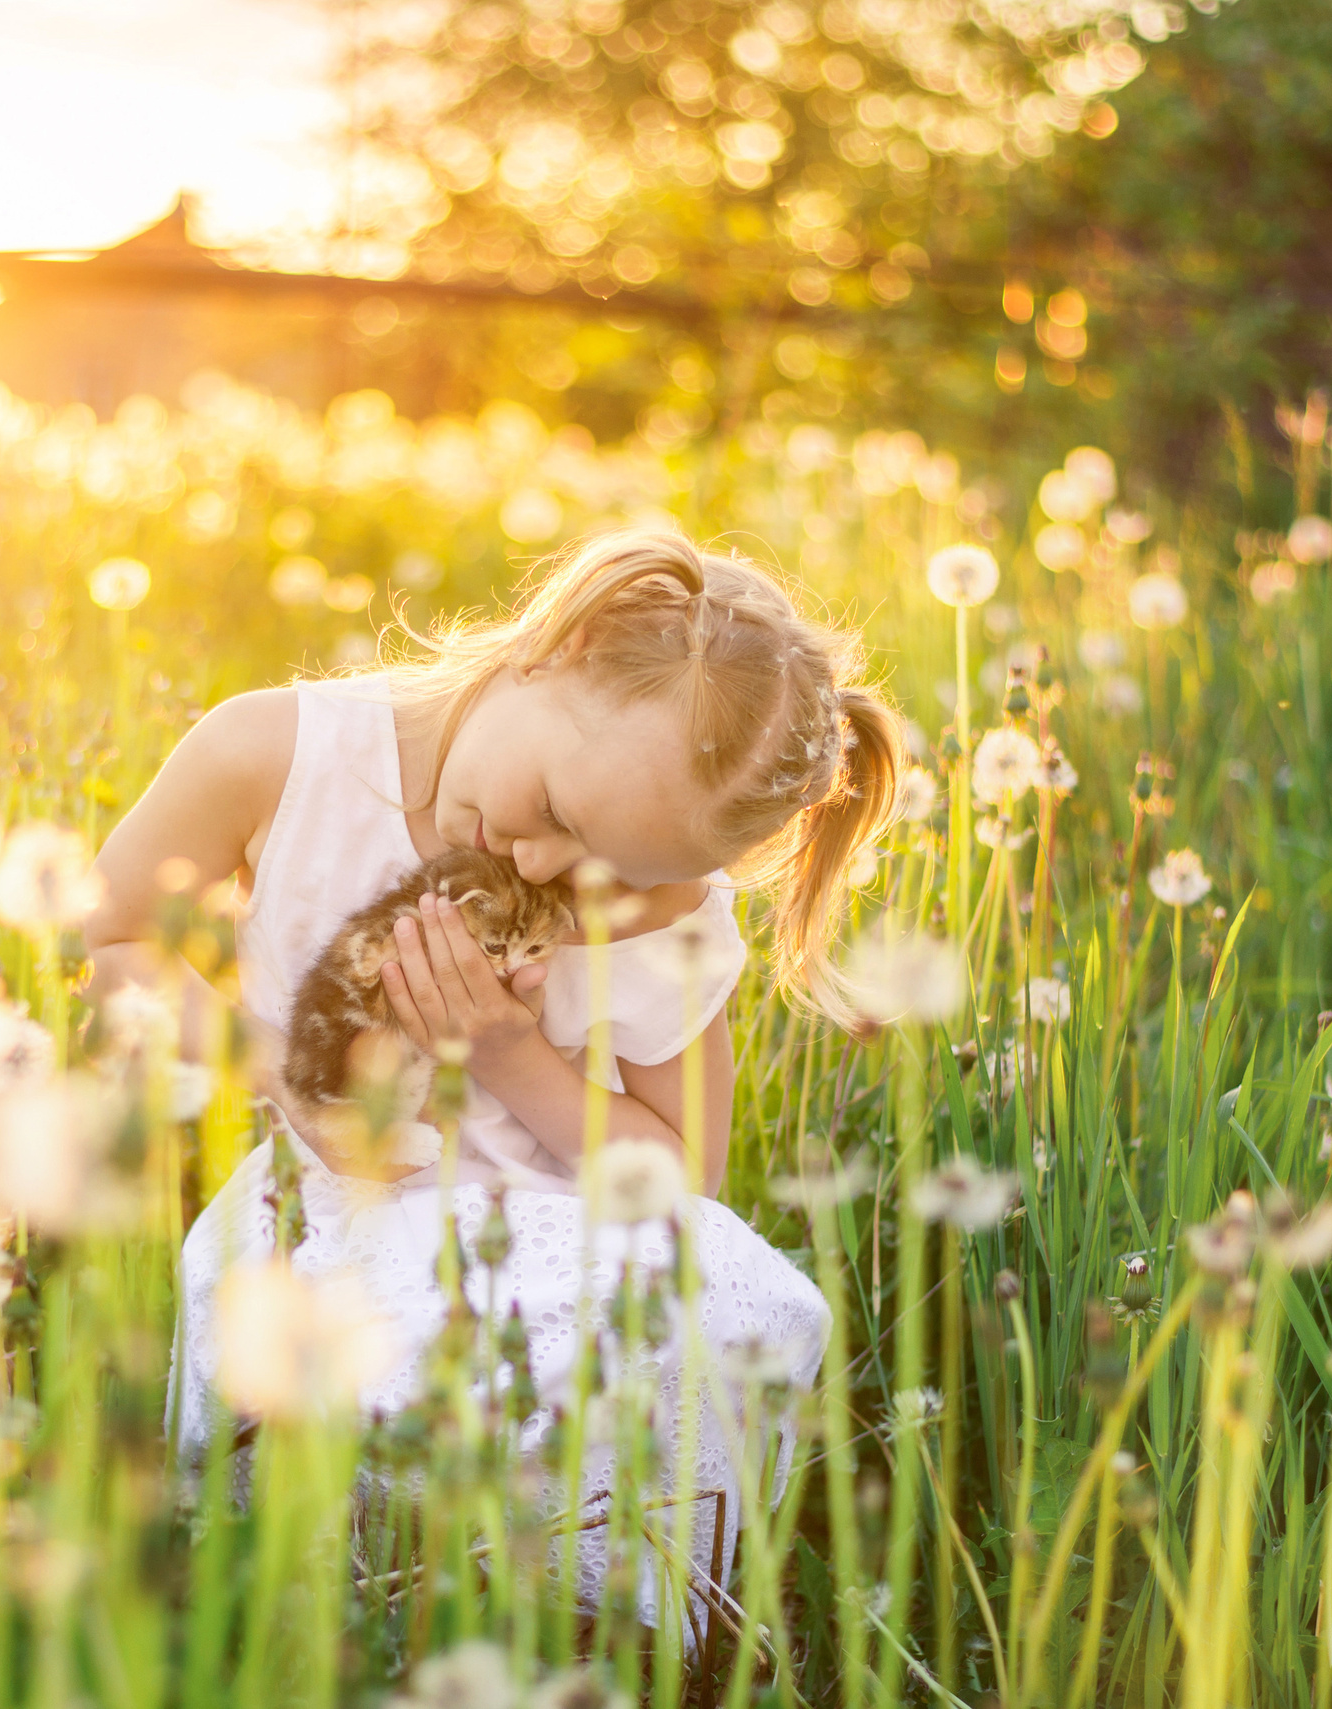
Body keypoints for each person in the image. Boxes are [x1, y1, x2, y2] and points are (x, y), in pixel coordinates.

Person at [84, 525, 901, 1602]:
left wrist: (514, 1055)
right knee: (382, 1403)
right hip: (337, 1213)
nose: (541, 864)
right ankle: (353, 1579)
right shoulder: (279, 756)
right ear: (554, 645)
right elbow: (112, 939)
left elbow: (680, 1175)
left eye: (610, 874)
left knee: (739, 1296)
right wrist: (289, 1071)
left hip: (560, 1245)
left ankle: (613, 1618)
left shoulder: (671, 914)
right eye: (559, 814)